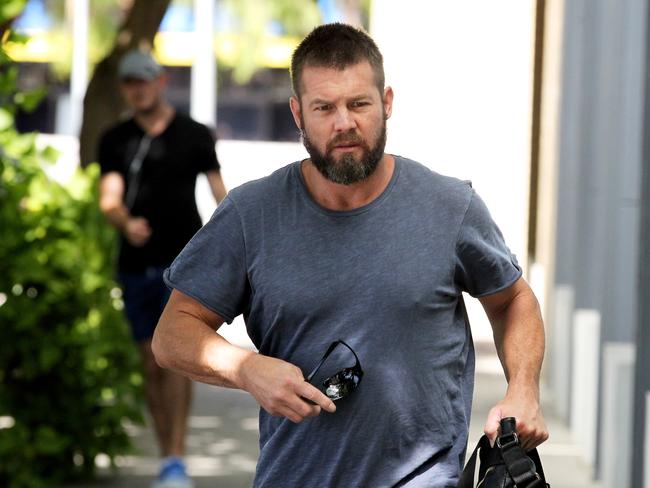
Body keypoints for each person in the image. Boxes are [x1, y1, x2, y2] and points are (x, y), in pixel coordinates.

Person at [151, 23, 548, 487]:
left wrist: (523, 390)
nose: (344, 123)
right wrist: (247, 369)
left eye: (359, 103)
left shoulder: (449, 207)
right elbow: (172, 335)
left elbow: (513, 300)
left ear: (387, 103)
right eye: (324, 107)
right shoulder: (250, 214)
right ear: (298, 114)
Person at [98, 48, 227, 488]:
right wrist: (124, 222)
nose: (138, 88)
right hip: (135, 265)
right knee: (150, 363)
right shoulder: (115, 139)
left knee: (175, 359)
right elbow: (109, 199)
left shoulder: (194, 134)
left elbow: (219, 194)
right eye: (129, 82)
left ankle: (176, 457)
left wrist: (234, 241)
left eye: (144, 80)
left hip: (183, 265)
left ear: (161, 81)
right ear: (125, 88)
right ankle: (165, 455)